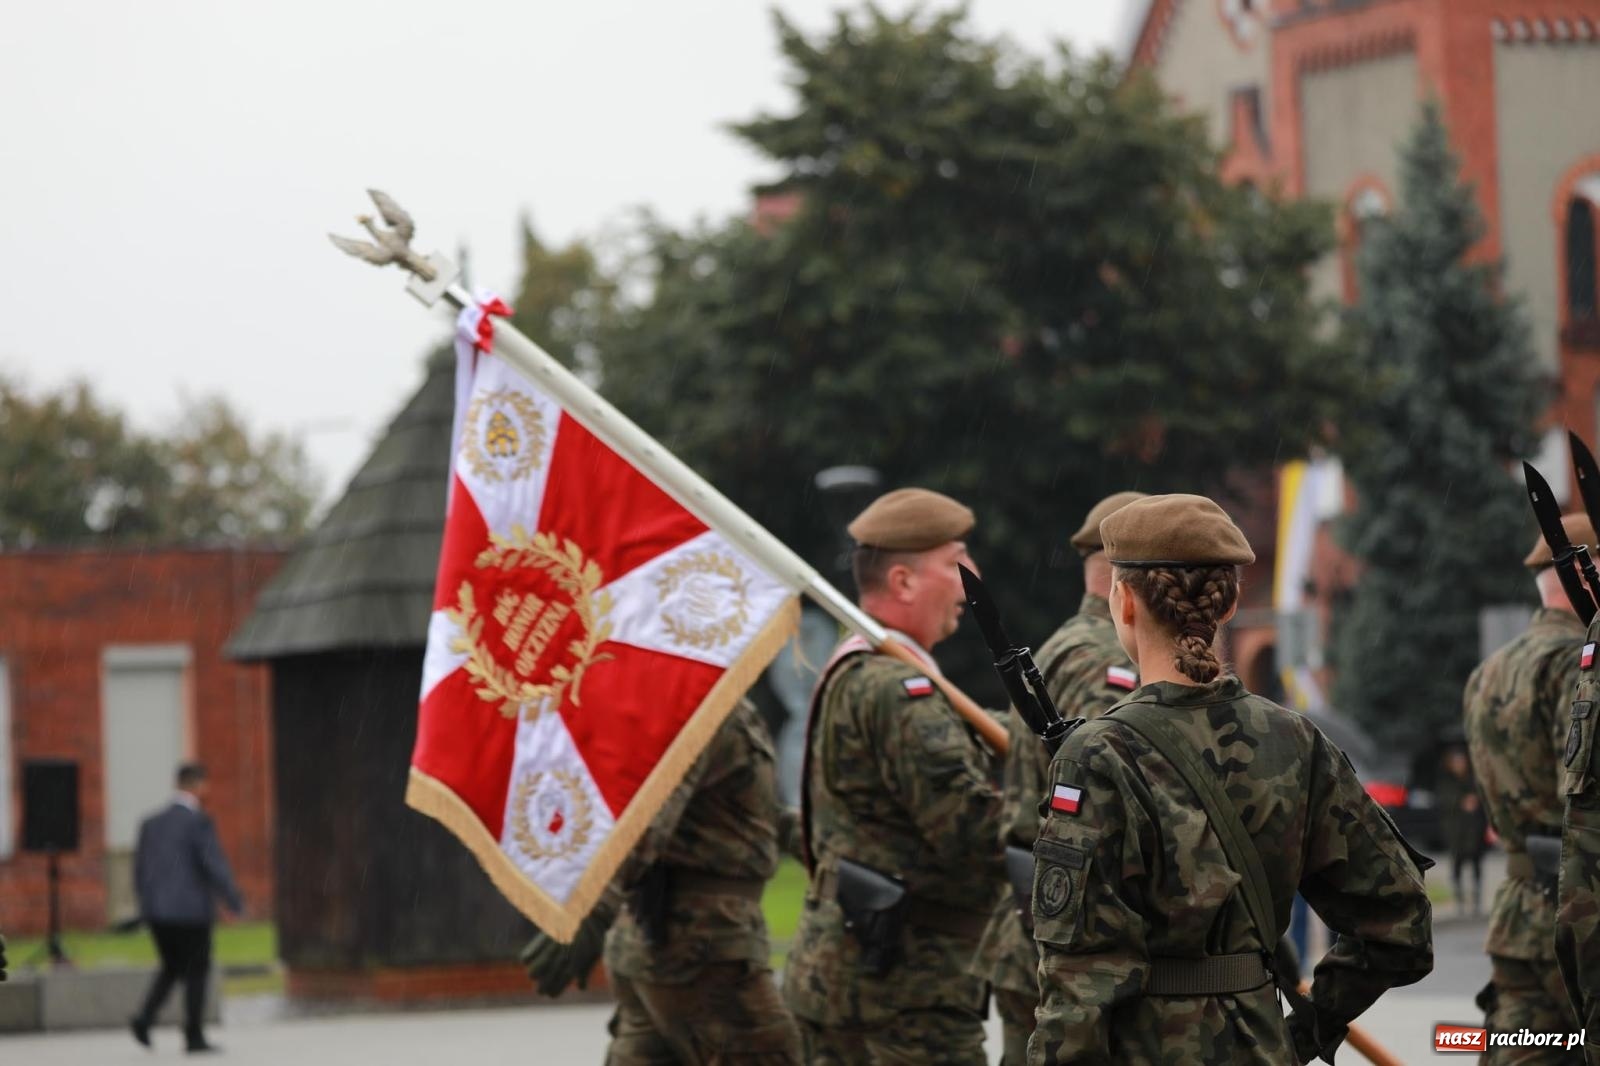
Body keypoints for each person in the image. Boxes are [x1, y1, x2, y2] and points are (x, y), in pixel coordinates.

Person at [1029, 494, 1433, 1065]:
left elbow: (1078, 986)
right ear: (1231, 603)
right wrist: (1306, 1031)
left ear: (1122, 603)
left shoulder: (1098, 753)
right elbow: (1400, 926)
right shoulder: (1296, 739)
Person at [783, 487, 1003, 1065]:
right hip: (905, 995)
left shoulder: (863, 671)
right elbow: (974, 834)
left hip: (858, 976)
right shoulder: (897, 689)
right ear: (903, 582)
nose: (970, 577)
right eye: (956, 561)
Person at [520, 697, 802, 1064]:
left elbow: (735, 811)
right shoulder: (696, 703)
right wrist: (591, 912)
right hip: (701, 946)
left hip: (665, 943)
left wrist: (827, 850)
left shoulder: (719, 697)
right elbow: (647, 819)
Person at [970, 490, 1143, 1065]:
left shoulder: (1064, 645)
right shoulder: (1110, 661)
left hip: (1040, 920)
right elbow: (1108, 809)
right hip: (1072, 937)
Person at [1465, 514, 1592, 1063]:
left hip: (1517, 914)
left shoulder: (1489, 671)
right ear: (1585, 577)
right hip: (1581, 912)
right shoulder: (1577, 665)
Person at [130, 762, 243, 1054]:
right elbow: (212, 863)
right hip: (190, 912)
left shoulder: (151, 822)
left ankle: (144, 1019)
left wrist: (147, 906)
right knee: (196, 971)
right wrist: (233, 901)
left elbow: (140, 869)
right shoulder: (198, 822)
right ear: (198, 785)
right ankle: (194, 1035)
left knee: (172, 966)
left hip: (157, 912)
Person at [1437, 746, 1488, 917]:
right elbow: (1443, 800)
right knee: (1457, 863)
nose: (1460, 765)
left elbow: (1484, 797)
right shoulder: (1447, 781)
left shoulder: (1474, 779)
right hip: (1456, 830)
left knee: (1476, 863)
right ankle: (1459, 900)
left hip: (1474, 830)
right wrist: (1460, 801)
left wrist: (1475, 801)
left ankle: (1476, 900)